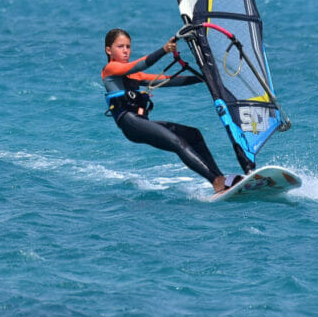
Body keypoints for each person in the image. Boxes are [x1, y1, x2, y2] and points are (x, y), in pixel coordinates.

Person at [101, 28, 240, 195]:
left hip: (140, 123)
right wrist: (164, 50)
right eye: (120, 46)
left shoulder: (135, 75)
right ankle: (216, 182)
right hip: (129, 122)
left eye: (128, 47)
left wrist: (205, 78)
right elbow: (139, 64)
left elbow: (168, 81)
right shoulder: (110, 69)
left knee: (193, 134)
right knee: (177, 143)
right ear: (109, 50)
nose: (125, 51)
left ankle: (220, 179)